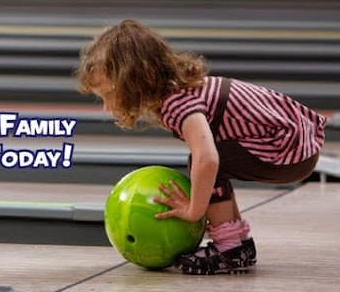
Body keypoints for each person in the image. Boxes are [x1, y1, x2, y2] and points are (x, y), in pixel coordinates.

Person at [76, 19, 326, 275]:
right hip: (295, 144)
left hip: (287, 150)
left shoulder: (178, 103)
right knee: (211, 162)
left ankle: (229, 249)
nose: (106, 107)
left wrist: (194, 210)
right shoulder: (183, 91)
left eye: (110, 93)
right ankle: (237, 243)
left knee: (203, 163)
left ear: (144, 75)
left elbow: (208, 159)